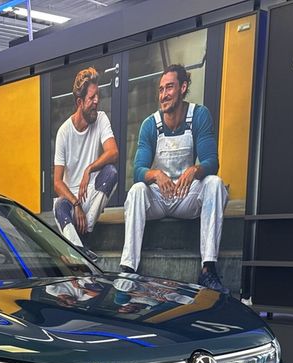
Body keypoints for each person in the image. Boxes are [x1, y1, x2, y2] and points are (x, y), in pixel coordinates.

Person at [120, 65, 229, 294]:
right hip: (160, 198)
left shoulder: (198, 115)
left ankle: (208, 269)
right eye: (161, 89)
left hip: (186, 196)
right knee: (137, 190)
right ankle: (128, 269)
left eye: (169, 88)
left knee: (215, 184)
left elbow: (212, 162)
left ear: (183, 87)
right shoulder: (150, 124)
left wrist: (195, 170)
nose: (163, 95)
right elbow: (138, 170)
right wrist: (155, 174)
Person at [52, 67, 119, 247]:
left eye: (98, 96)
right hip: (70, 201)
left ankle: (86, 232)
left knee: (111, 172)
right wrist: (75, 204)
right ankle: (80, 249)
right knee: (59, 206)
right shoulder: (64, 132)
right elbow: (57, 183)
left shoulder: (101, 119)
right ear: (79, 102)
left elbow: (113, 152)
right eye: (92, 97)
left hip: (90, 196)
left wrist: (89, 169)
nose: (97, 101)